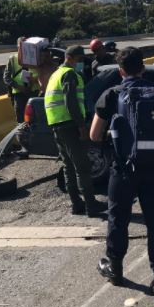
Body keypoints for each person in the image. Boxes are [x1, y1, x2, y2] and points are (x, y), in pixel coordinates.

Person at [90, 46, 154, 302]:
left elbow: (94, 134)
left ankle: (115, 269)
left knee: (118, 218)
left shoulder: (112, 94)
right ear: (143, 68)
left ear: (121, 70)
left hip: (124, 168)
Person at [44, 45, 106, 217]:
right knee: (82, 167)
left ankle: (77, 205)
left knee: (68, 167)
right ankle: (91, 206)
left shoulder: (55, 74)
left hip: (57, 125)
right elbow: (71, 102)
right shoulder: (69, 74)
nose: (80, 63)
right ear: (70, 57)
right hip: (70, 124)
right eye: (79, 59)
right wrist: (81, 125)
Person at [3, 37, 39, 123]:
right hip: (19, 94)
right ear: (18, 46)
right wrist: (19, 87)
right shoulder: (12, 59)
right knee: (21, 120)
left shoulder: (36, 58)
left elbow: (43, 74)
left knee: (36, 118)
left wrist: (34, 81)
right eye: (21, 45)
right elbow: (6, 77)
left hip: (33, 92)